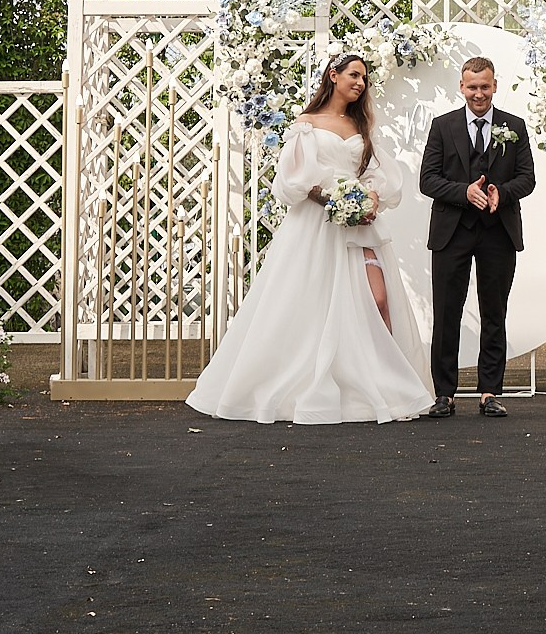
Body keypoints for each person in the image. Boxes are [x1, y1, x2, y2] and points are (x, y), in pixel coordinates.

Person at [186, 53, 434, 423]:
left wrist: (368, 199)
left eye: (364, 78)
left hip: (359, 226)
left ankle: (388, 387)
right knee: (309, 304)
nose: (360, 83)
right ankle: (302, 384)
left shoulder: (361, 126)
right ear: (333, 76)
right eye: (354, 75)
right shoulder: (307, 124)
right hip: (317, 225)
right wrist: (333, 200)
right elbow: (292, 180)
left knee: (379, 300)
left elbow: (377, 174)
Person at [420, 56, 537, 418]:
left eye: (484, 86)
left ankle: (490, 392)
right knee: (446, 312)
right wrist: (463, 192)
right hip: (451, 232)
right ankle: (444, 393)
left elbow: (527, 177)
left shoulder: (513, 126)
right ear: (461, 87)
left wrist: (502, 192)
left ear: (495, 85)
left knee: (494, 312)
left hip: (497, 232)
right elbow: (428, 179)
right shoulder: (443, 126)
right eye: (472, 87)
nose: (478, 93)